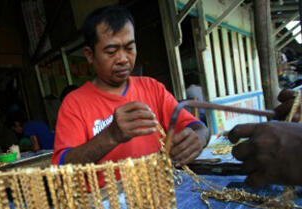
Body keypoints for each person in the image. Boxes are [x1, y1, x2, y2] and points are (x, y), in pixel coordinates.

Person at [52, 5, 209, 171]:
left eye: (129, 48)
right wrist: (111, 136)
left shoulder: (152, 88)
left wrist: (198, 138)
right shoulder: (74, 104)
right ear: (90, 55)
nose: (123, 59)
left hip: (160, 189)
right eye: (111, 51)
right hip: (108, 196)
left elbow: (198, 127)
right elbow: (61, 169)